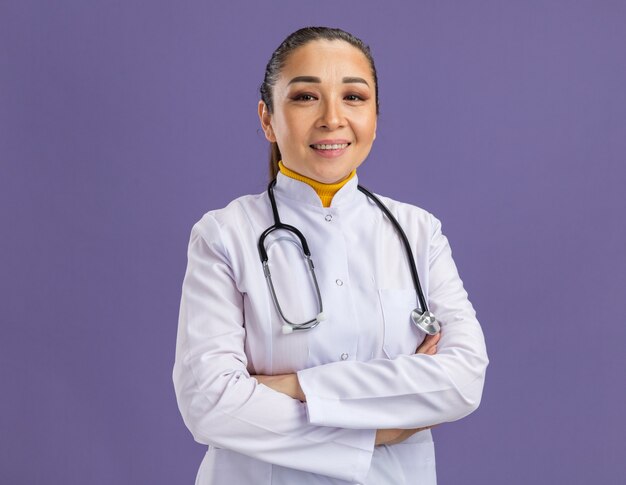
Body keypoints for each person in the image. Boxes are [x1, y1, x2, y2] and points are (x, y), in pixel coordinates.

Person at [173, 26, 488, 485]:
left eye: (354, 97)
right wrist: (377, 431)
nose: (332, 118)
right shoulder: (224, 235)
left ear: (376, 117)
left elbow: (462, 380)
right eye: (305, 97)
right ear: (267, 118)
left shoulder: (418, 232)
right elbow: (209, 404)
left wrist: (291, 387)